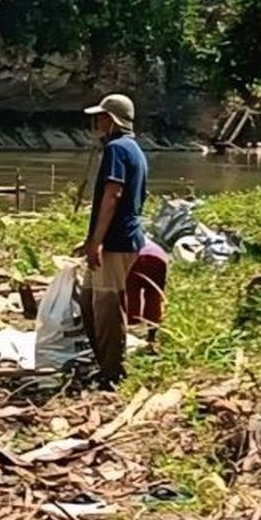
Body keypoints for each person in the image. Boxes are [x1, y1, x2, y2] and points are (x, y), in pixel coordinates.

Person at [79, 94, 148, 383]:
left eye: (101, 117)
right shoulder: (133, 149)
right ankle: (104, 363)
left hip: (117, 242)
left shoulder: (117, 149)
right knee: (88, 301)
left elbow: (112, 195)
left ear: (113, 120)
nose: (97, 122)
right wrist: (90, 239)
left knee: (107, 307)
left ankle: (113, 374)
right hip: (117, 239)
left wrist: (97, 241)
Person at [126, 239, 169, 344]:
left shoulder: (125, 237)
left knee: (132, 293)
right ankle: (151, 335)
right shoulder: (142, 237)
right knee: (153, 296)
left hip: (136, 257)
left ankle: (132, 330)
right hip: (158, 258)